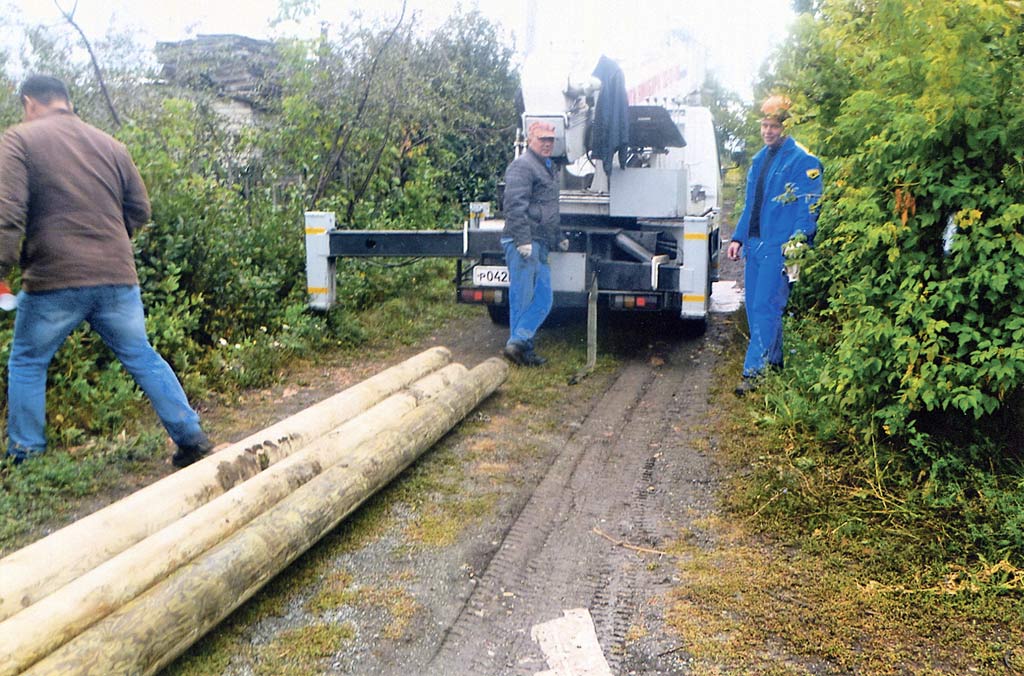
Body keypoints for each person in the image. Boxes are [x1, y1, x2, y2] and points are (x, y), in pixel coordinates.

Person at [0, 75, 213, 467]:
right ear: (65, 101)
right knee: (141, 354)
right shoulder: (110, 144)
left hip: (54, 279)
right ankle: (191, 436)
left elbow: (8, 213)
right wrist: (110, 242)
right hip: (117, 276)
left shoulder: (18, 139)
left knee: (28, 361)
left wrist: (2, 267)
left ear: (30, 103)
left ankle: (26, 458)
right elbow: (140, 210)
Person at [727, 94, 823, 396]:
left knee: (766, 307)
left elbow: (809, 206)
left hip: (780, 247)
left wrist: (797, 242)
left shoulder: (803, 161)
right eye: (765, 125)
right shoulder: (760, 160)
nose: (768, 131)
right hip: (756, 245)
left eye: (774, 126)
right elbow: (751, 205)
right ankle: (774, 363)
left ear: (786, 127)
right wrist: (738, 237)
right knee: (757, 309)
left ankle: (754, 374)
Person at [500, 120, 568, 366]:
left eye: (550, 139)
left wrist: (558, 236)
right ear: (530, 140)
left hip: (540, 241)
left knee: (542, 298)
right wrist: (522, 240)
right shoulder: (522, 166)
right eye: (542, 139)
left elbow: (549, 209)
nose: (547, 143)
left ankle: (518, 343)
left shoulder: (547, 167)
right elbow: (514, 206)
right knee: (523, 298)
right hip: (524, 241)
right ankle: (522, 350)